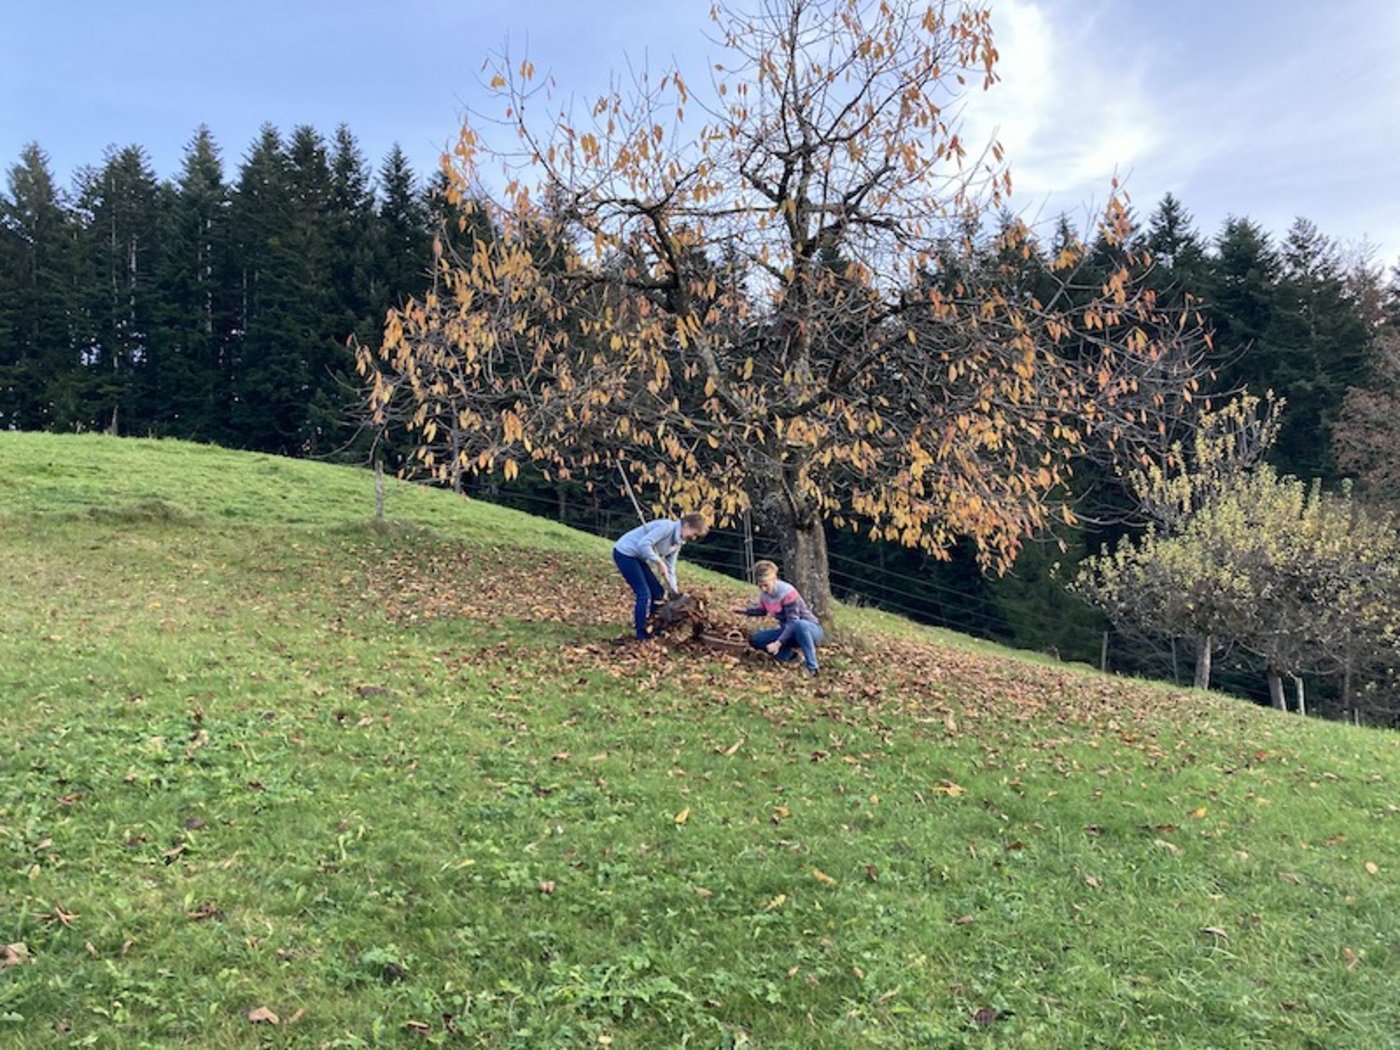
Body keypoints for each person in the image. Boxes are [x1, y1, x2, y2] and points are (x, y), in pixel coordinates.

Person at [612, 513, 710, 640]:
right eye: (694, 533)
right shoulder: (667, 527)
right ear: (686, 525)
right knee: (644, 593)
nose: (694, 538)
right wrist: (658, 561)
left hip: (638, 558)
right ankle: (641, 633)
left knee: (658, 592)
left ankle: (654, 627)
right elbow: (643, 544)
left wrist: (673, 590)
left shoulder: (678, 543)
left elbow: (670, 569)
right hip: (625, 553)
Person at [733, 559, 824, 674]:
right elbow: (762, 610)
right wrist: (743, 611)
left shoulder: (787, 593)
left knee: (800, 625)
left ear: (774, 579)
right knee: (756, 639)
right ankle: (791, 657)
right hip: (787, 632)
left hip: (809, 630)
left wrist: (778, 643)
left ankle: (812, 668)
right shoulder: (765, 594)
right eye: (760, 586)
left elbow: (793, 623)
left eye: (766, 585)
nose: (763, 589)